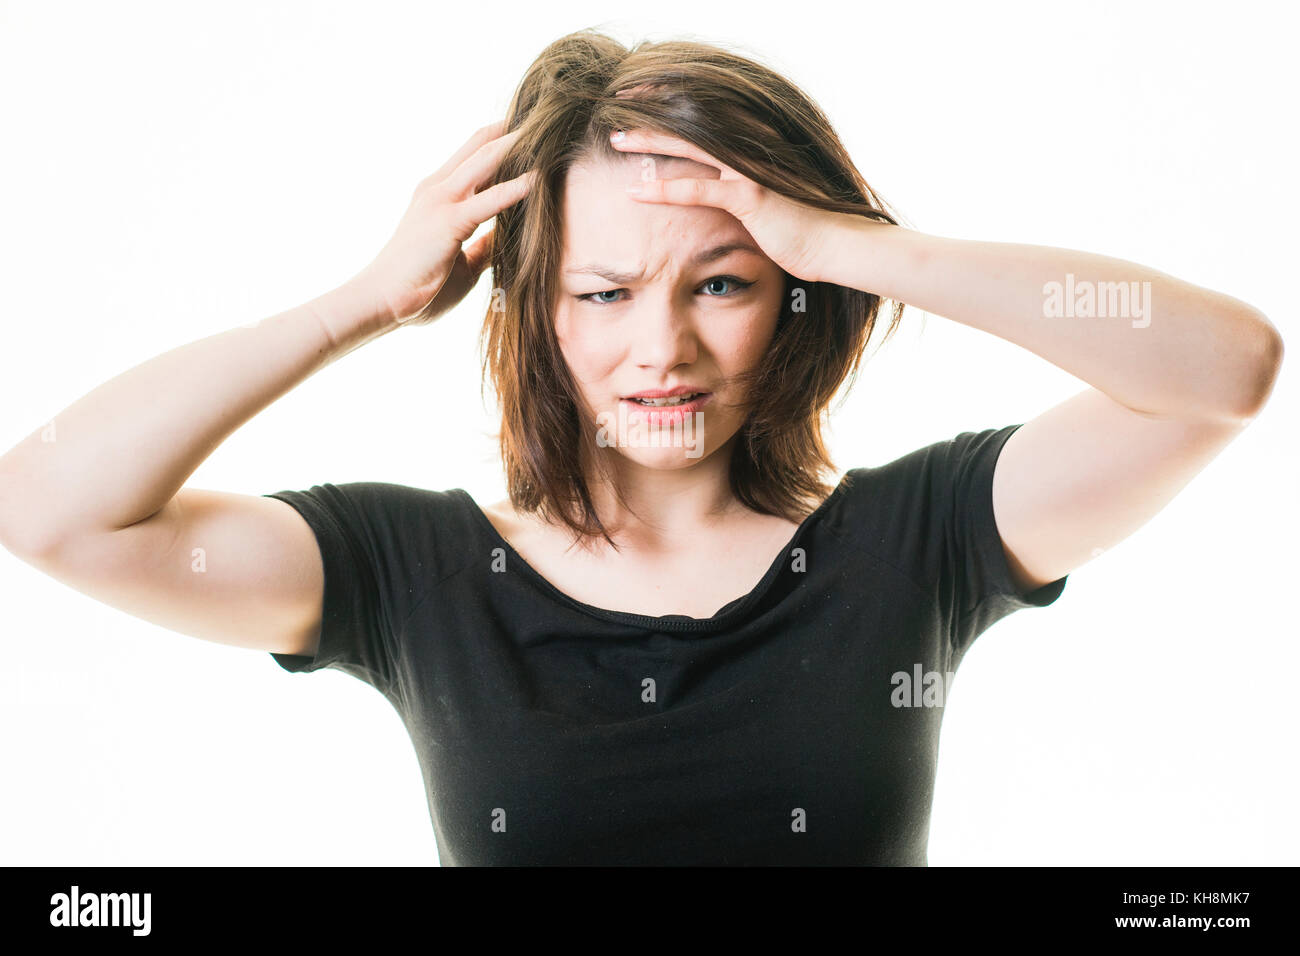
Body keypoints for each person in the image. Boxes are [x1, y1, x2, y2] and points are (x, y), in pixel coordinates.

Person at [0, 30, 1282, 865]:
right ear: (538, 309)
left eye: (719, 284)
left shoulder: (918, 540)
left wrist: (856, 248)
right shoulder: (417, 573)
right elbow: (49, 506)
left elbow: (1223, 372)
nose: (660, 349)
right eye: (603, 293)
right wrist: (361, 301)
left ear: (788, 292)